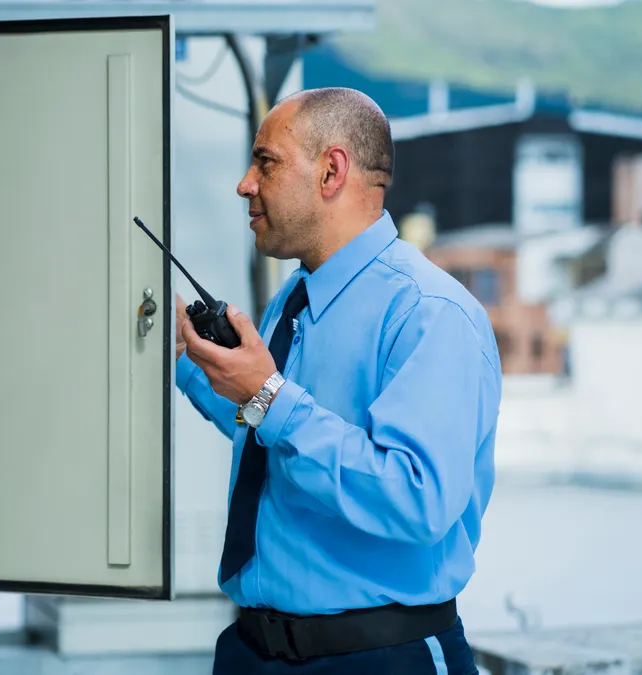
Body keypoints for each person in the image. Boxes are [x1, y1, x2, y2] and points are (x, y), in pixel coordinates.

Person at [174, 87, 501, 674]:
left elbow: (416, 498)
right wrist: (187, 360)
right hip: (253, 652)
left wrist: (269, 396)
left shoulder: (429, 313)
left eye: (265, 162)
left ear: (331, 171)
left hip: (379, 658)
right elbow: (276, 437)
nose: (245, 183)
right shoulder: (291, 301)